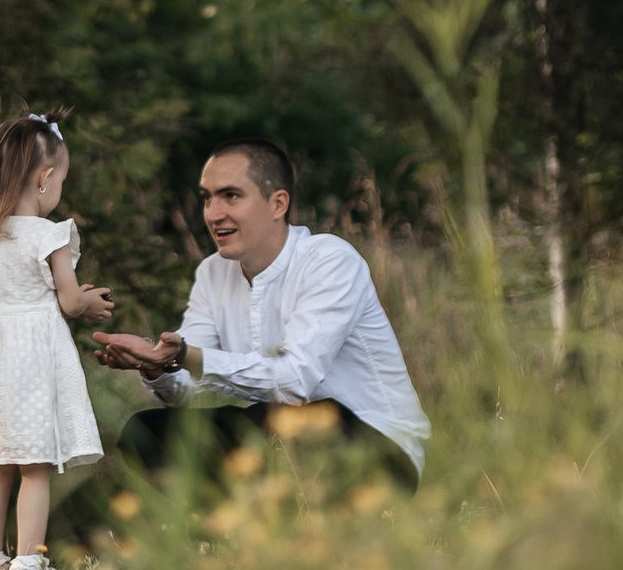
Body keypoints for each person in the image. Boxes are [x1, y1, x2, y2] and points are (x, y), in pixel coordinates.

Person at [94, 138, 427, 489]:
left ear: (277, 203)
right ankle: (210, 532)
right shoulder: (213, 273)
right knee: (146, 432)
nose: (213, 213)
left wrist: (187, 355)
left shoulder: (329, 260)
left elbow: (294, 381)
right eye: (207, 197)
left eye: (231, 196)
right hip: (281, 436)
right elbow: (184, 389)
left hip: (378, 450)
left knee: (273, 419)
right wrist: (156, 364)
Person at [0, 113, 117, 570]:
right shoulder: (49, 235)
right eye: (60, 178)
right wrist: (90, 301)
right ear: (44, 179)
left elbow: (13, 291)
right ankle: (29, 565)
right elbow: (67, 300)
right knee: (36, 466)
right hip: (32, 357)